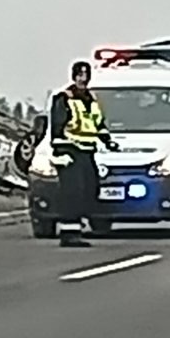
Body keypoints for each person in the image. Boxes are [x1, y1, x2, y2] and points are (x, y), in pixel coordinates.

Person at [49, 60, 117, 247]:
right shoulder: (64, 98)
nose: (83, 79)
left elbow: (98, 124)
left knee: (90, 189)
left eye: (86, 75)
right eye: (80, 75)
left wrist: (108, 141)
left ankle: (80, 227)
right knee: (73, 193)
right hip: (70, 152)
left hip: (87, 152)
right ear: (74, 77)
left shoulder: (91, 99)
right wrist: (60, 153)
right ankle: (69, 234)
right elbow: (57, 128)